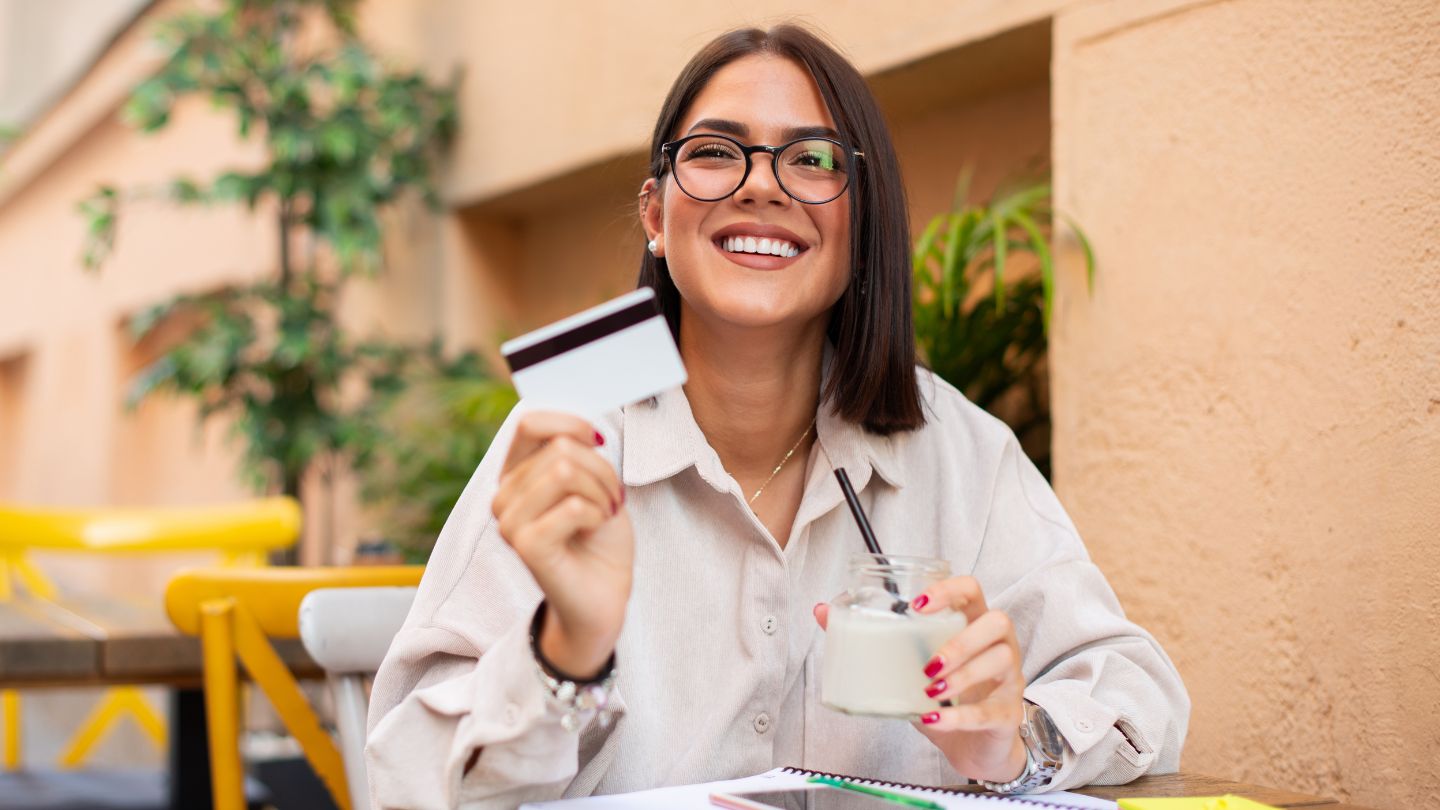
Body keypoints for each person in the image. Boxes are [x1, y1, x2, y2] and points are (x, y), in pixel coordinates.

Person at [366, 24, 1189, 809]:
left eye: (813, 159)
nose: (761, 184)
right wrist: (564, 655)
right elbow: (406, 775)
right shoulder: (568, 439)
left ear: (859, 224)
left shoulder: (958, 450)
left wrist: (1016, 744)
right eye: (716, 153)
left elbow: (1135, 689)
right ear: (655, 215)